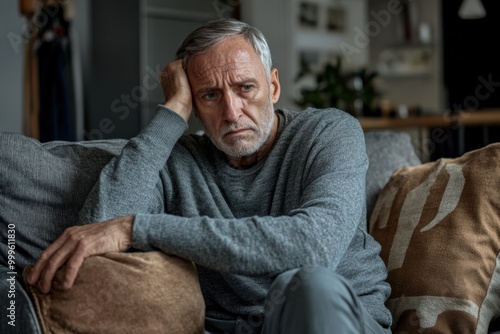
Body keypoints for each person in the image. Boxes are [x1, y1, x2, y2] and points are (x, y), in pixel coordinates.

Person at [27, 18, 392, 333]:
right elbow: (96, 235)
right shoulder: (179, 159)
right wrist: (172, 111)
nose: (232, 112)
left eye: (245, 88)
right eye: (210, 95)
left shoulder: (328, 132)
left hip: (333, 318)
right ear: (195, 106)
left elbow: (315, 246)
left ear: (274, 87)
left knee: (309, 285)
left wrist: (135, 228)